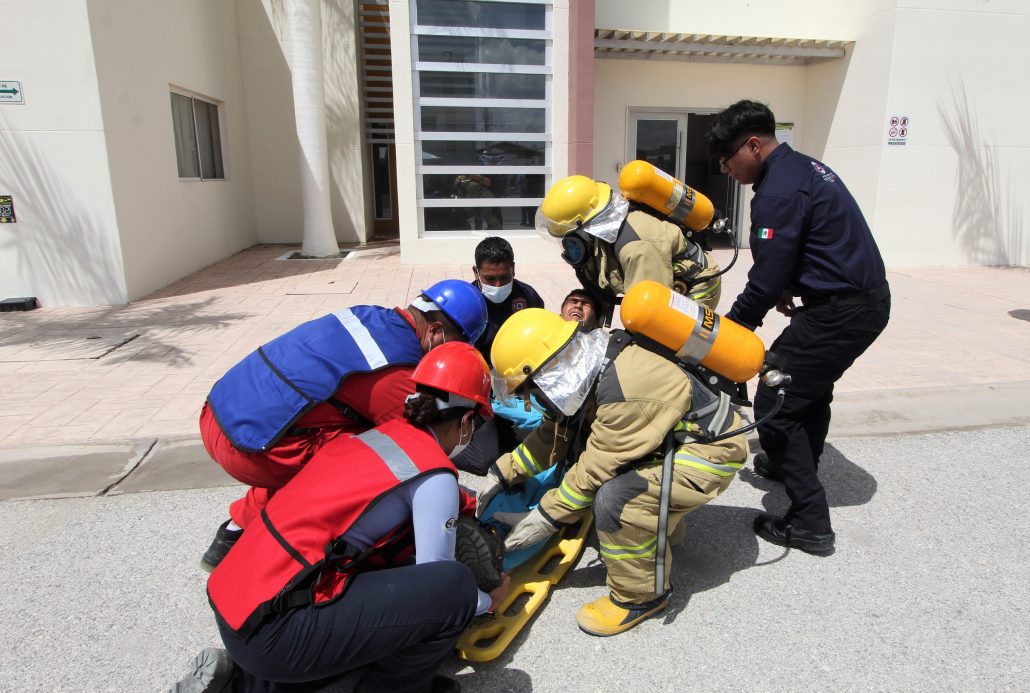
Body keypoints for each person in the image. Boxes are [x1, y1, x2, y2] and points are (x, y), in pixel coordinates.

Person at [173, 342, 509, 693]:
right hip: (272, 631)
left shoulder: (372, 437)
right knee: (454, 587)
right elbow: (437, 583)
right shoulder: (434, 475)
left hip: (237, 603)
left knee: (358, 614)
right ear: (466, 421)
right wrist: (488, 601)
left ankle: (242, 684)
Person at [480, 309, 748, 636]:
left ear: (546, 370)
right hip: (673, 440)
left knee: (617, 500)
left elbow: (594, 470)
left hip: (710, 452)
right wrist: (502, 473)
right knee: (621, 485)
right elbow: (554, 435)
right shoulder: (584, 365)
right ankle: (658, 531)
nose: (528, 399)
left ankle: (641, 597)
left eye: (528, 390)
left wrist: (544, 518)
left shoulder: (623, 388)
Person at [198, 280, 488, 571]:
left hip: (220, 413)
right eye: (456, 347)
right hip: (247, 447)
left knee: (341, 430)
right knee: (380, 454)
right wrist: (464, 508)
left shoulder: (369, 315)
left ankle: (234, 532)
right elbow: (421, 453)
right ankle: (322, 558)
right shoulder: (393, 372)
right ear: (435, 331)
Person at [706, 100, 891, 555]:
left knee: (776, 400)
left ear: (753, 145)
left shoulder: (777, 192)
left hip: (840, 312)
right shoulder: (805, 168)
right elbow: (803, 245)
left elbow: (764, 281)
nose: (726, 168)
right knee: (809, 390)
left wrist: (727, 334)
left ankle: (809, 523)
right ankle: (792, 463)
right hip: (863, 302)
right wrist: (791, 283)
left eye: (728, 158)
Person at [535, 175, 722, 324]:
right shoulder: (603, 233)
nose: (569, 249)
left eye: (570, 239)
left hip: (695, 287)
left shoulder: (637, 247)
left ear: (586, 229)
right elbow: (601, 286)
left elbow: (650, 311)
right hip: (657, 277)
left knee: (664, 341)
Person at [469, 236, 545, 363]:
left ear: (513, 269)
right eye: (490, 279)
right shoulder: (466, 301)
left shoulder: (528, 296)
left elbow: (540, 334)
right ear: (476, 272)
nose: (498, 285)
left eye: (504, 277)